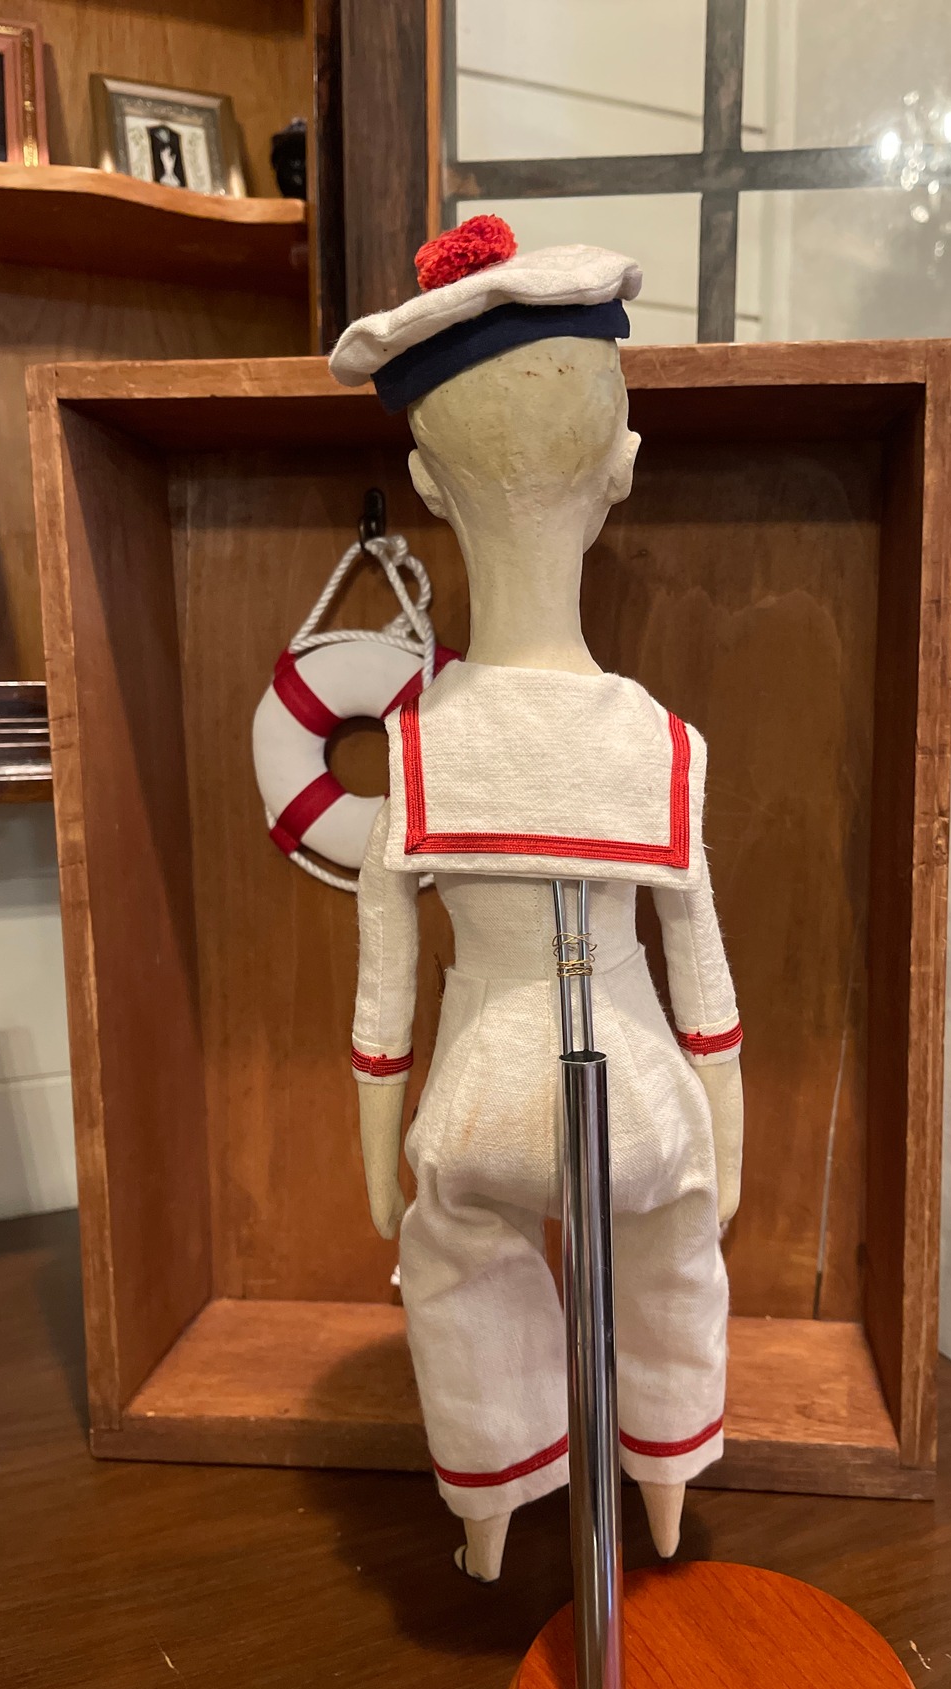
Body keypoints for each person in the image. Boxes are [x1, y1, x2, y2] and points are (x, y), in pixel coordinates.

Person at [331, 218, 744, 1581]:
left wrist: (381, 1145)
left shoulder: (418, 750)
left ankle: (493, 1510)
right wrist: (726, 1136)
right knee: (673, 1246)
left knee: (459, 1257)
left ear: (423, 484)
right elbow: (701, 970)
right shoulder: (660, 741)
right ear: (624, 467)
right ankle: (663, 1484)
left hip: (481, 1090)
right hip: (643, 1090)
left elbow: (384, 986)